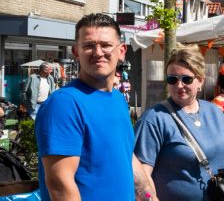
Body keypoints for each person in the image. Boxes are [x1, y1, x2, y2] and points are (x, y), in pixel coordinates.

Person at [37, 13, 155, 201]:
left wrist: (149, 197)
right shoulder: (64, 103)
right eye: (89, 46)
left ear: (121, 50)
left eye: (106, 45)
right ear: (76, 52)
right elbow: (60, 185)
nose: (98, 52)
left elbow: (127, 158)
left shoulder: (117, 99)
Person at [135, 44, 224, 200]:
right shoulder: (154, 119)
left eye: (186, 79)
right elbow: (141, 175)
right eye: (172, 79)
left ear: (200, 81)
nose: (179, 85)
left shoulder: (214, 111)